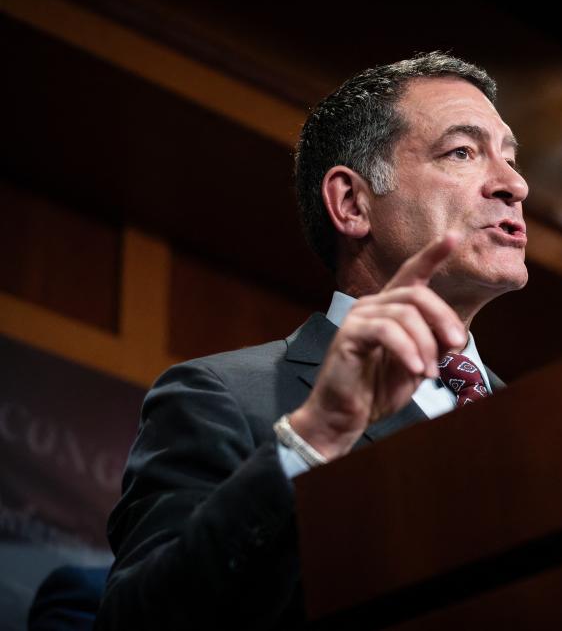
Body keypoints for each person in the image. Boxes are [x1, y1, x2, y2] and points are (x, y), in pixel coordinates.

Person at [95, 52, 529, 629]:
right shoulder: (221, 397)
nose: (514, 184)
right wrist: (317, 435)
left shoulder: (535, 422)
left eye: (511, 157)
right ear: (351, 204)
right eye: (462, 152)